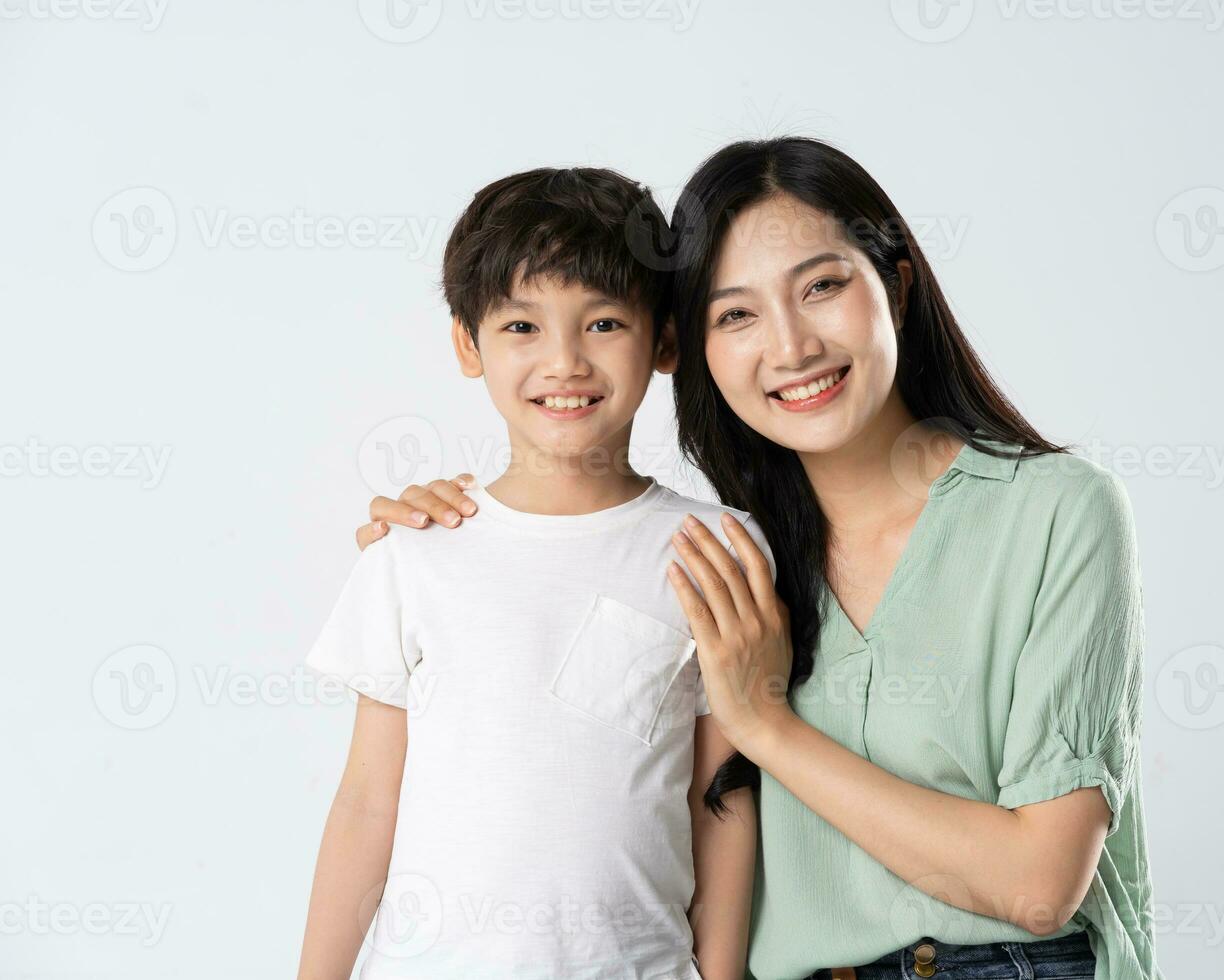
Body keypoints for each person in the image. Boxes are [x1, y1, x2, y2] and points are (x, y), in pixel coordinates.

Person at [361, 137, 1160, 980]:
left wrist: (766, 726)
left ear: (895, 282)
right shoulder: (719, 553)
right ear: (690, 347)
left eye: (821, 287)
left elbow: (1039, 886)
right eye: (736, 314)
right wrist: (454, 530)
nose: (790, 347)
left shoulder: (1057, 512)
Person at [297, 166, 773, 980]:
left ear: (662, 341)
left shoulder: (717, 548)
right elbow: (367, 801)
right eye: (522, 326)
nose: (564, 362)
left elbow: (721, 798)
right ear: (466, 343)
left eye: (603, 324)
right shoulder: (415, 552)